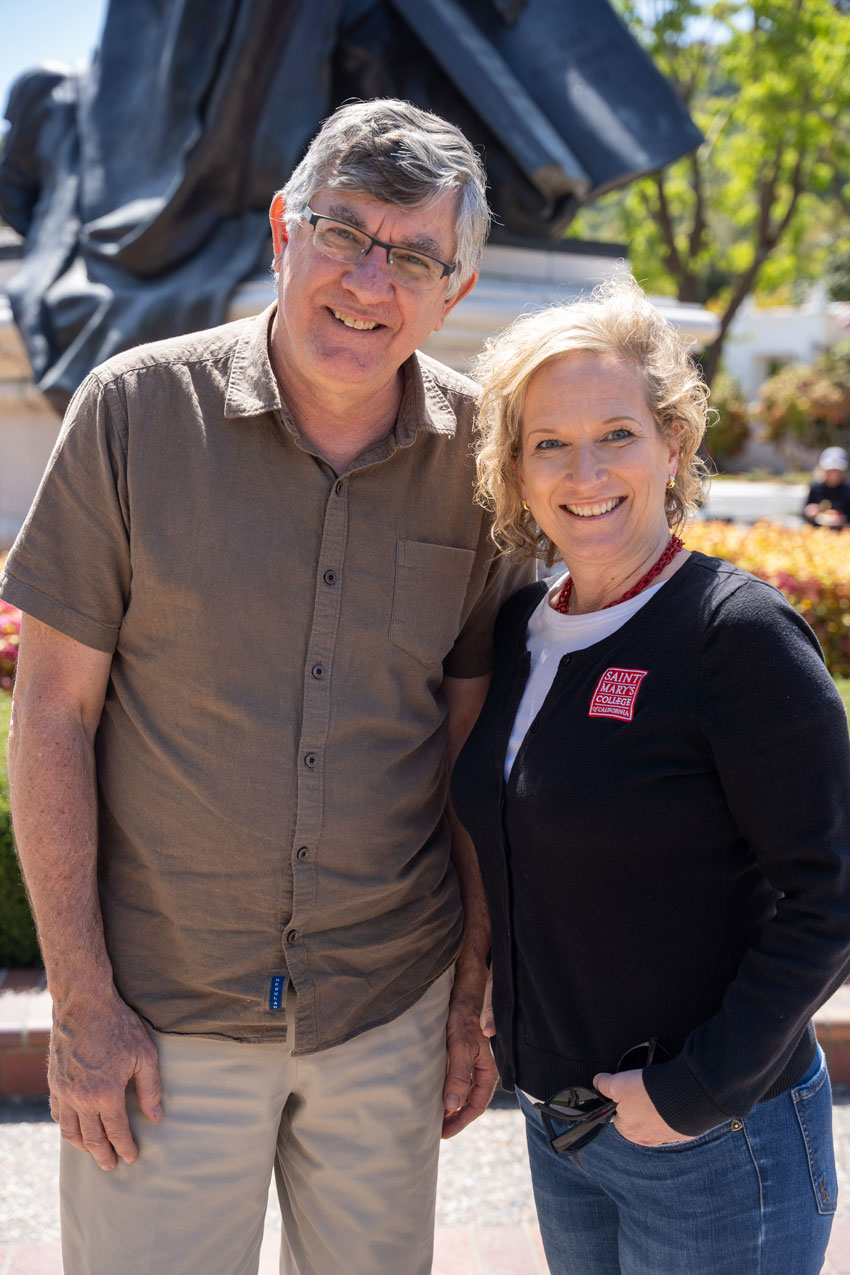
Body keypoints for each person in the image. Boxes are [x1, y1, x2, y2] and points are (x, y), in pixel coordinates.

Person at [0, 99, 532, 1275]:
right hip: (158, 1017)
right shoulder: (134, 415)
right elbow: (50, 717)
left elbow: (469, 751)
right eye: (343, 233)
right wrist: (81, 1003)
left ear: (453, 286)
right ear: (284, 227)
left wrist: (467, 994)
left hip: (385, 1009)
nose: (367, 279)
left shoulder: (477, 465)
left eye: (412, 255)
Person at [451, 278, 850, 1275]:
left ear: (671, 444)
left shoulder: (735, 636)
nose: (584, 470)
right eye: (549, 442)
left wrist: (695, 1090)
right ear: (515, 468)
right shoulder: (518, 629)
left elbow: (831, 892)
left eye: (616, 434)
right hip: (564, 1130)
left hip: (716, 1138)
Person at [803, 445, 850, 528]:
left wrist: (844, 519)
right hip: (817, 532)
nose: (834, 474)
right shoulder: (816, 488)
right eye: (830, 470)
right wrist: (809, 512)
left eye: (837, 471)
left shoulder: (847, 490)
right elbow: (804, 515)